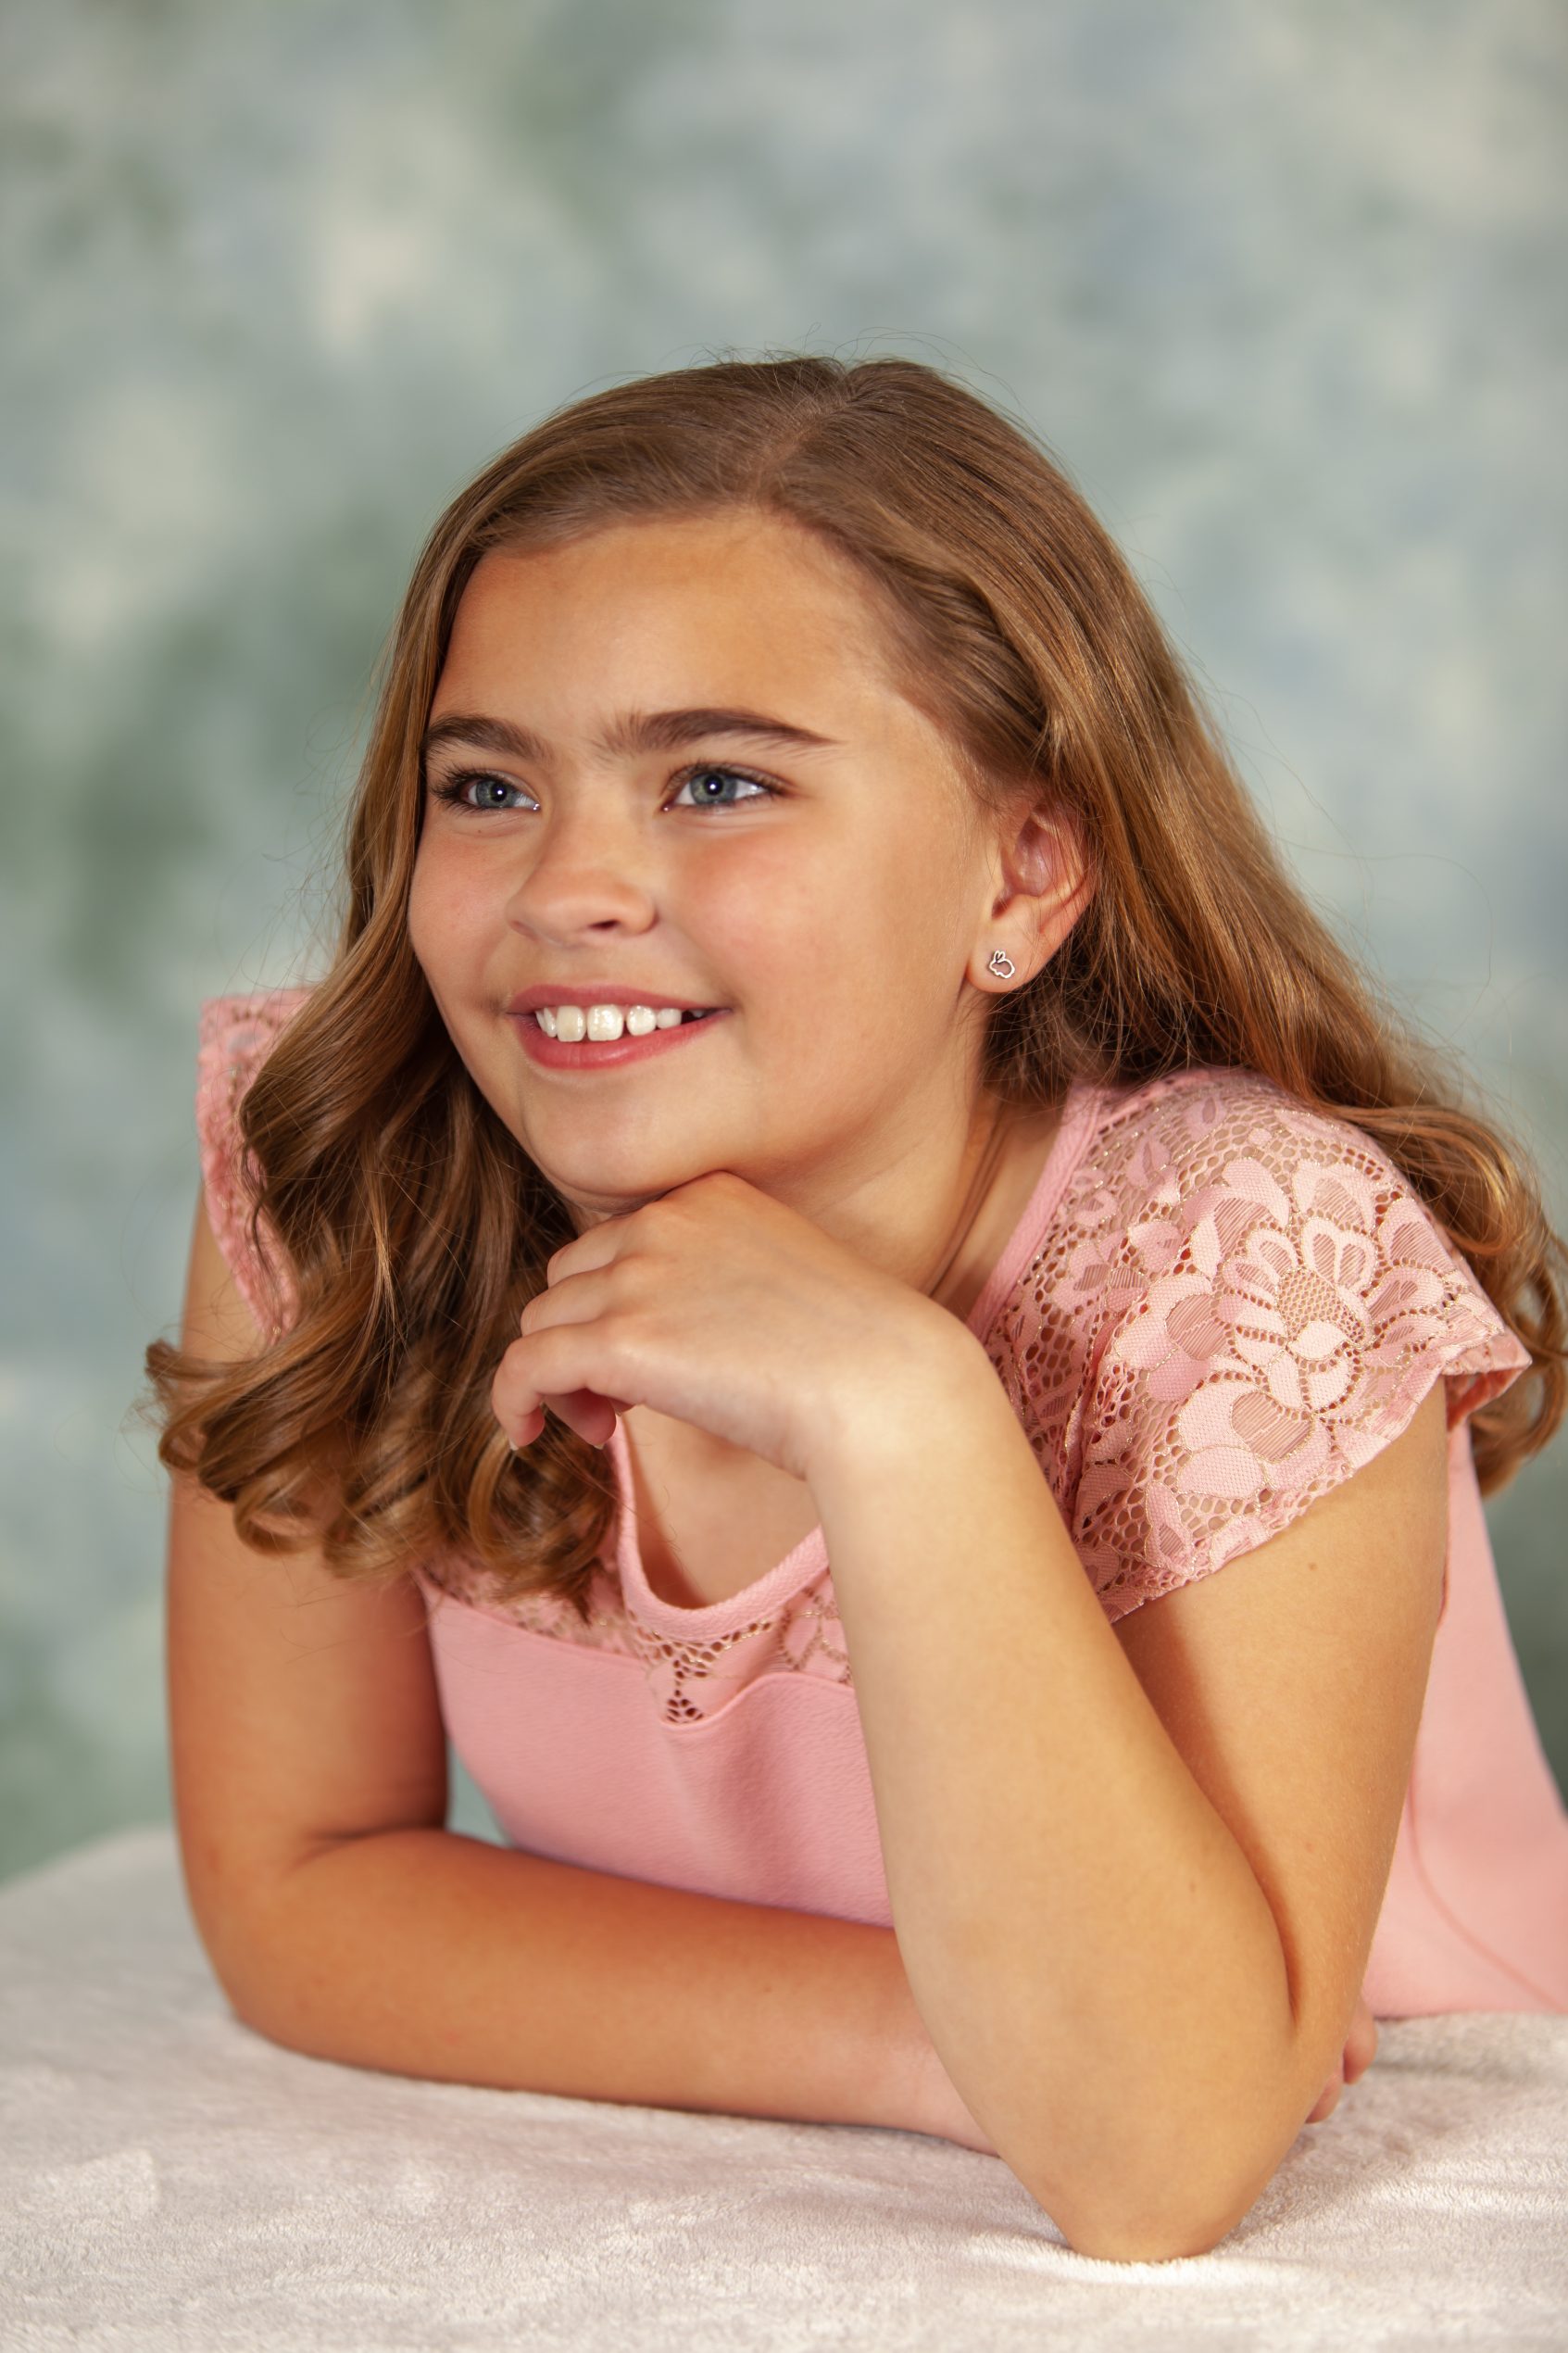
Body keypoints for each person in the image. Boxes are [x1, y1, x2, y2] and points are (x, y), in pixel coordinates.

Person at [146, 354, 1568, 2265]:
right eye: (487, 786)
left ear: (1023, 872)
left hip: (1432, 2191)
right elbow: (300, 1884)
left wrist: (900, 1408)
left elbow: (1155, 2159)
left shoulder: (1250, 1253)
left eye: (717, 782)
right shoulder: (349, 1170)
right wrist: (919, 2040)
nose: (570, 885)